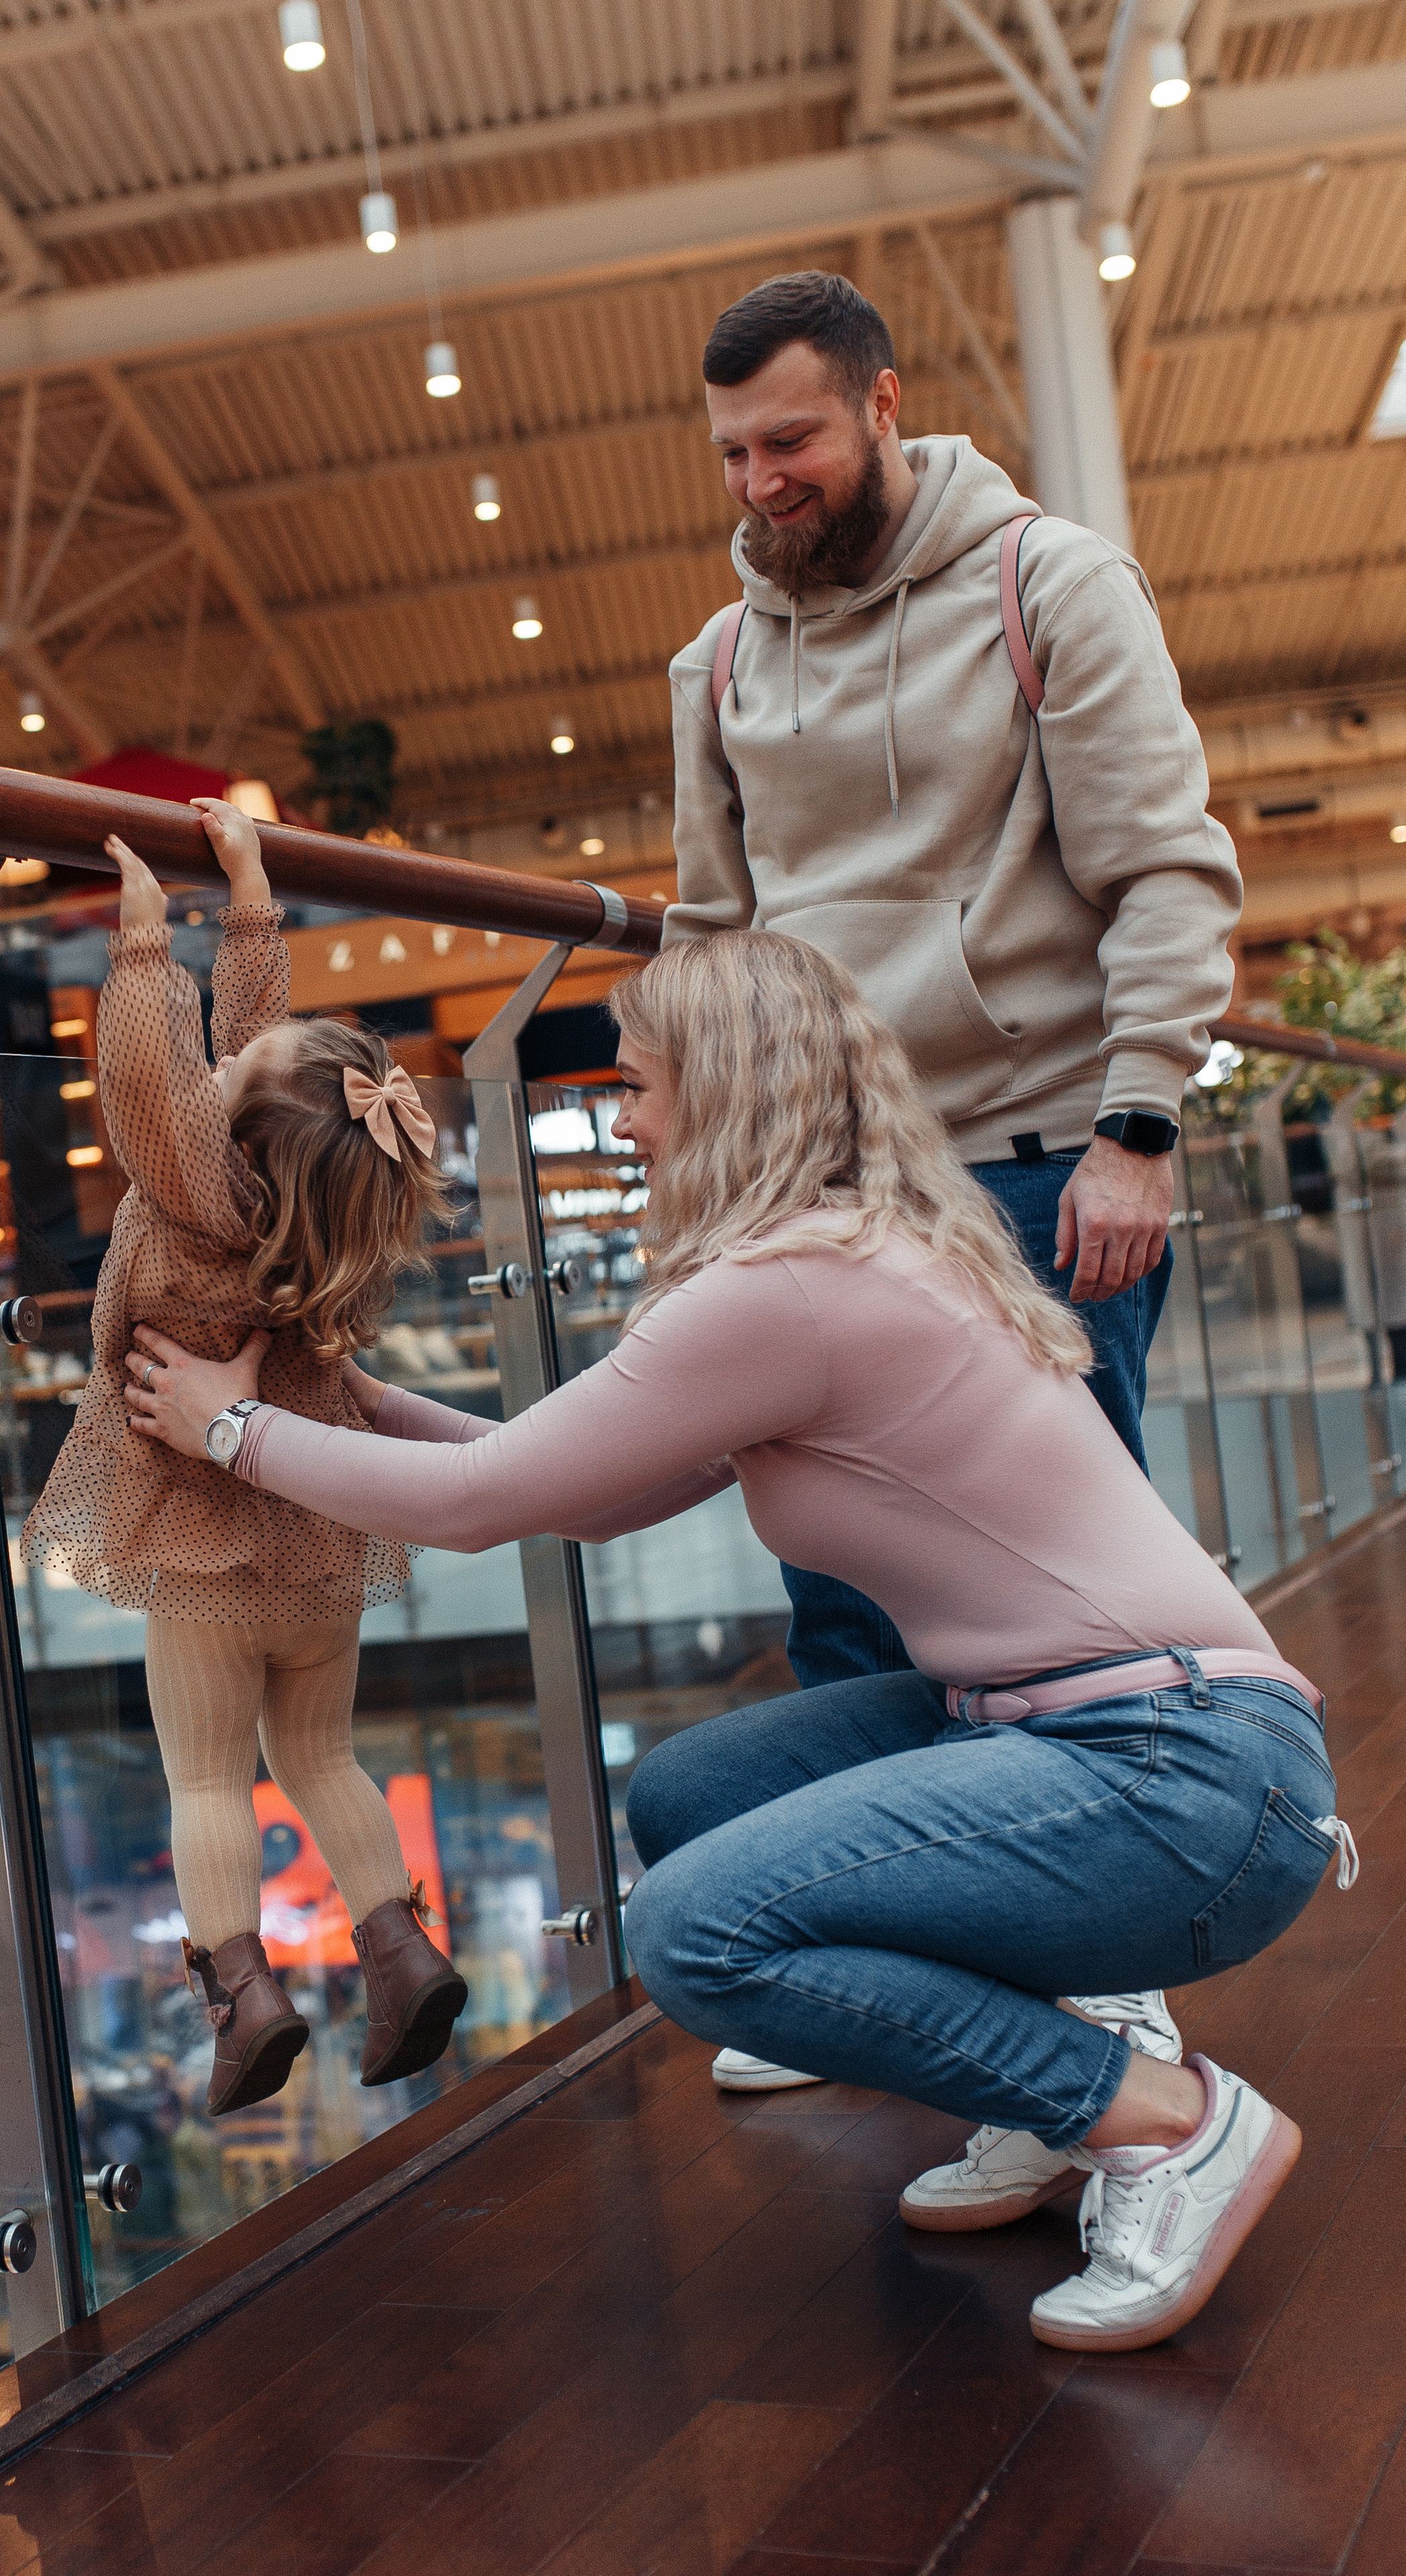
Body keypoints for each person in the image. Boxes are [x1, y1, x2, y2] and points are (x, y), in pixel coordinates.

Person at [119, 933, 1356, 2354]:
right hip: (1134, 1741)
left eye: (636, 1088)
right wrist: (340, 1397)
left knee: (691, 1931)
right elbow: (581, 1494)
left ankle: (1164, 2124)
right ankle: (1053, 2094)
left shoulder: (787, 1291)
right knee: (695, 1797)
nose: (623, 1124)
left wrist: (232, 1429)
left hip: (1175, 1778)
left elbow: (478, 1505)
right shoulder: (843, 1258)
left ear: (721, 1093)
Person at [667, 264, 1245, 2102]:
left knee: (1059, 1596)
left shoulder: (1046, 583)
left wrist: (1136, 1125)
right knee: (844, 1591)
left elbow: (1162, 868)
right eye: (733, 452)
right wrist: (709, 1179)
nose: (760, 479)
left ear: (881, 405)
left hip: (1036, 1161)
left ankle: (1112, 1980)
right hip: (820, 1186)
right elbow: (710, 933)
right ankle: (888, 1966)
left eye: (790, 439)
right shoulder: (715, 663)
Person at [21, 799, 466, 2112]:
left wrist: (144, 945)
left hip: (205, 1547)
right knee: (321, 1758)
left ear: (233, 1137)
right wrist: (251, 901)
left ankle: (242, 1999)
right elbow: (255, 1061)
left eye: (228, 1088)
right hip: (319, 1529)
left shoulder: (187, 1197)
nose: (212, 1081)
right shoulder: (323, 1207)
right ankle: (398, 1954)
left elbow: (153, 1079)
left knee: (209, 1777)